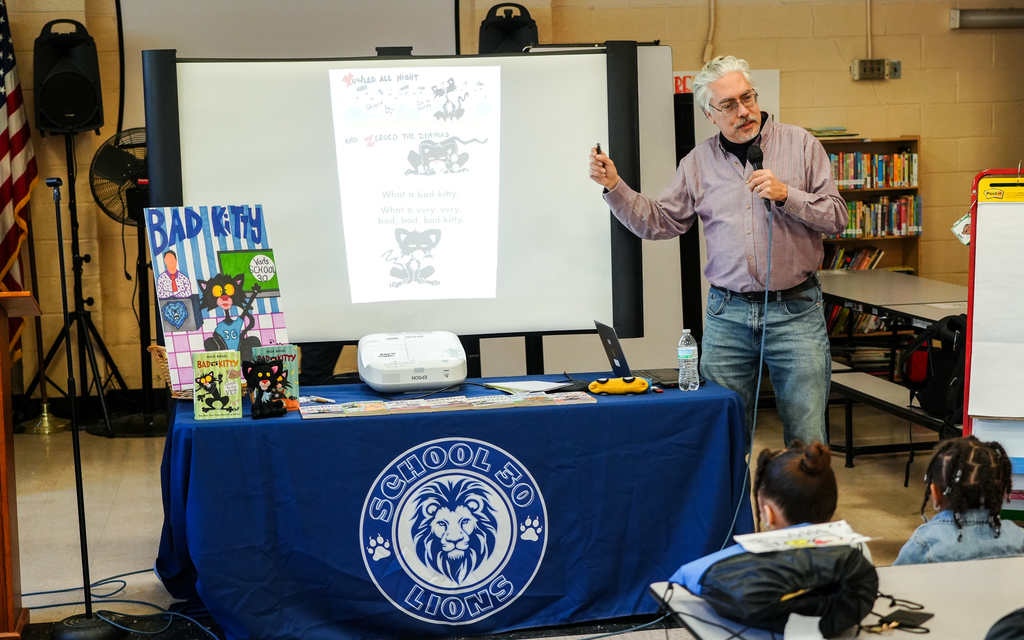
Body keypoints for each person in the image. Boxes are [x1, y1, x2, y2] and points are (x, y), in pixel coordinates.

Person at [589, 56, 847, 446]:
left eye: (747, 98)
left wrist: (787, 195)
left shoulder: (802, 144)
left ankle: (806, 510)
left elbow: (837, 217)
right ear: (710, 114)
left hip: (796, 311)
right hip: (729, 317)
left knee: (807, 441)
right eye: (729, 105)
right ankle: (730, 510)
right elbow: (660, 221)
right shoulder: (697, 163)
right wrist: (615, 186)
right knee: (722, 438)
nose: (744, 112)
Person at [670, 440, 858, 593]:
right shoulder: (857, 555)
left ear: (768, 514)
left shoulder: (703, 572)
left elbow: (674, 591)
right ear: (832, 502)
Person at [893, 436, 1024, 565]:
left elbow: (894, 583)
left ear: (936, 494)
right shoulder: (1018, 537)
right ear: (1001, 493)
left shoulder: (925, 542)